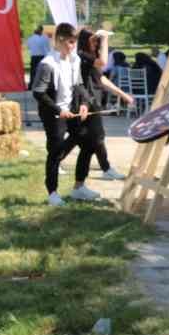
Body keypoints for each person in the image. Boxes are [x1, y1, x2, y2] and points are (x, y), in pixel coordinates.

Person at [31, 23, 113, 207]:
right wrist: (59, 111)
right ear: (59, 40)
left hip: (72, 110)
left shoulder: (74, 59)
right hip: (53, 113)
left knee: (90, 142)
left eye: (74, 42)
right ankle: (52, 193)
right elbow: (38, 93)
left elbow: (79, 85)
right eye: (69, 42)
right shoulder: (47, 64)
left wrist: (84, 103)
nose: (72, 46)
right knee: (56, 151)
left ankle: (79, 187)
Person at [72, 29, 133, 198]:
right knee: (91, 142)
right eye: (94, 40)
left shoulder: (90, 56)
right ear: (85, 41)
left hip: (94, 102)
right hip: (86, 103)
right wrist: (105, 38)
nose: (97, 42)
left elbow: (101, 79)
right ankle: (80, 185)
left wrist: (123, 94)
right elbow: (103, 62)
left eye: (97, 40)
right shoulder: (82, 54)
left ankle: (86, 181)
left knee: (94, 141)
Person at [27, 25, 52, 90]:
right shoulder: (45, 38)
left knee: (33, 72)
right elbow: (48, 48)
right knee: (44, 72)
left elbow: (29, 47)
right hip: (42, 56)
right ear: (41, 31)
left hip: (34, 56)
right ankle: (44, 86)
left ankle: (31, 86)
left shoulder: (30, 39)